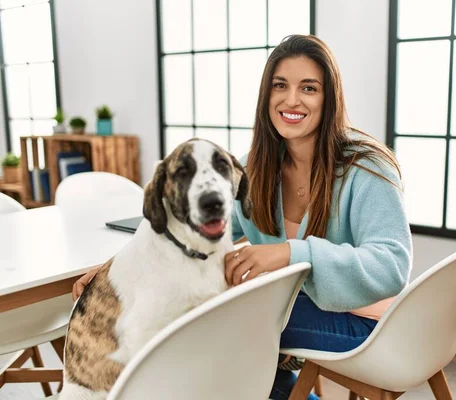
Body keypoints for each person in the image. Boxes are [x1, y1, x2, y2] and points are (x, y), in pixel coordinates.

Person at [73, 35, 412, 400]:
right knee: (228, 325)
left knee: (219, 325)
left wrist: (290, 252)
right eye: (280, 86)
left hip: (372, 324)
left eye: (309, 88)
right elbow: (199, 229)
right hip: (299, 309)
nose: (291, 100)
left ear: (329, 98)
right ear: (266, 95)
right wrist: (115, 270)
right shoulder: (259, 166)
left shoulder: (366, 166)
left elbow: (392, 265)